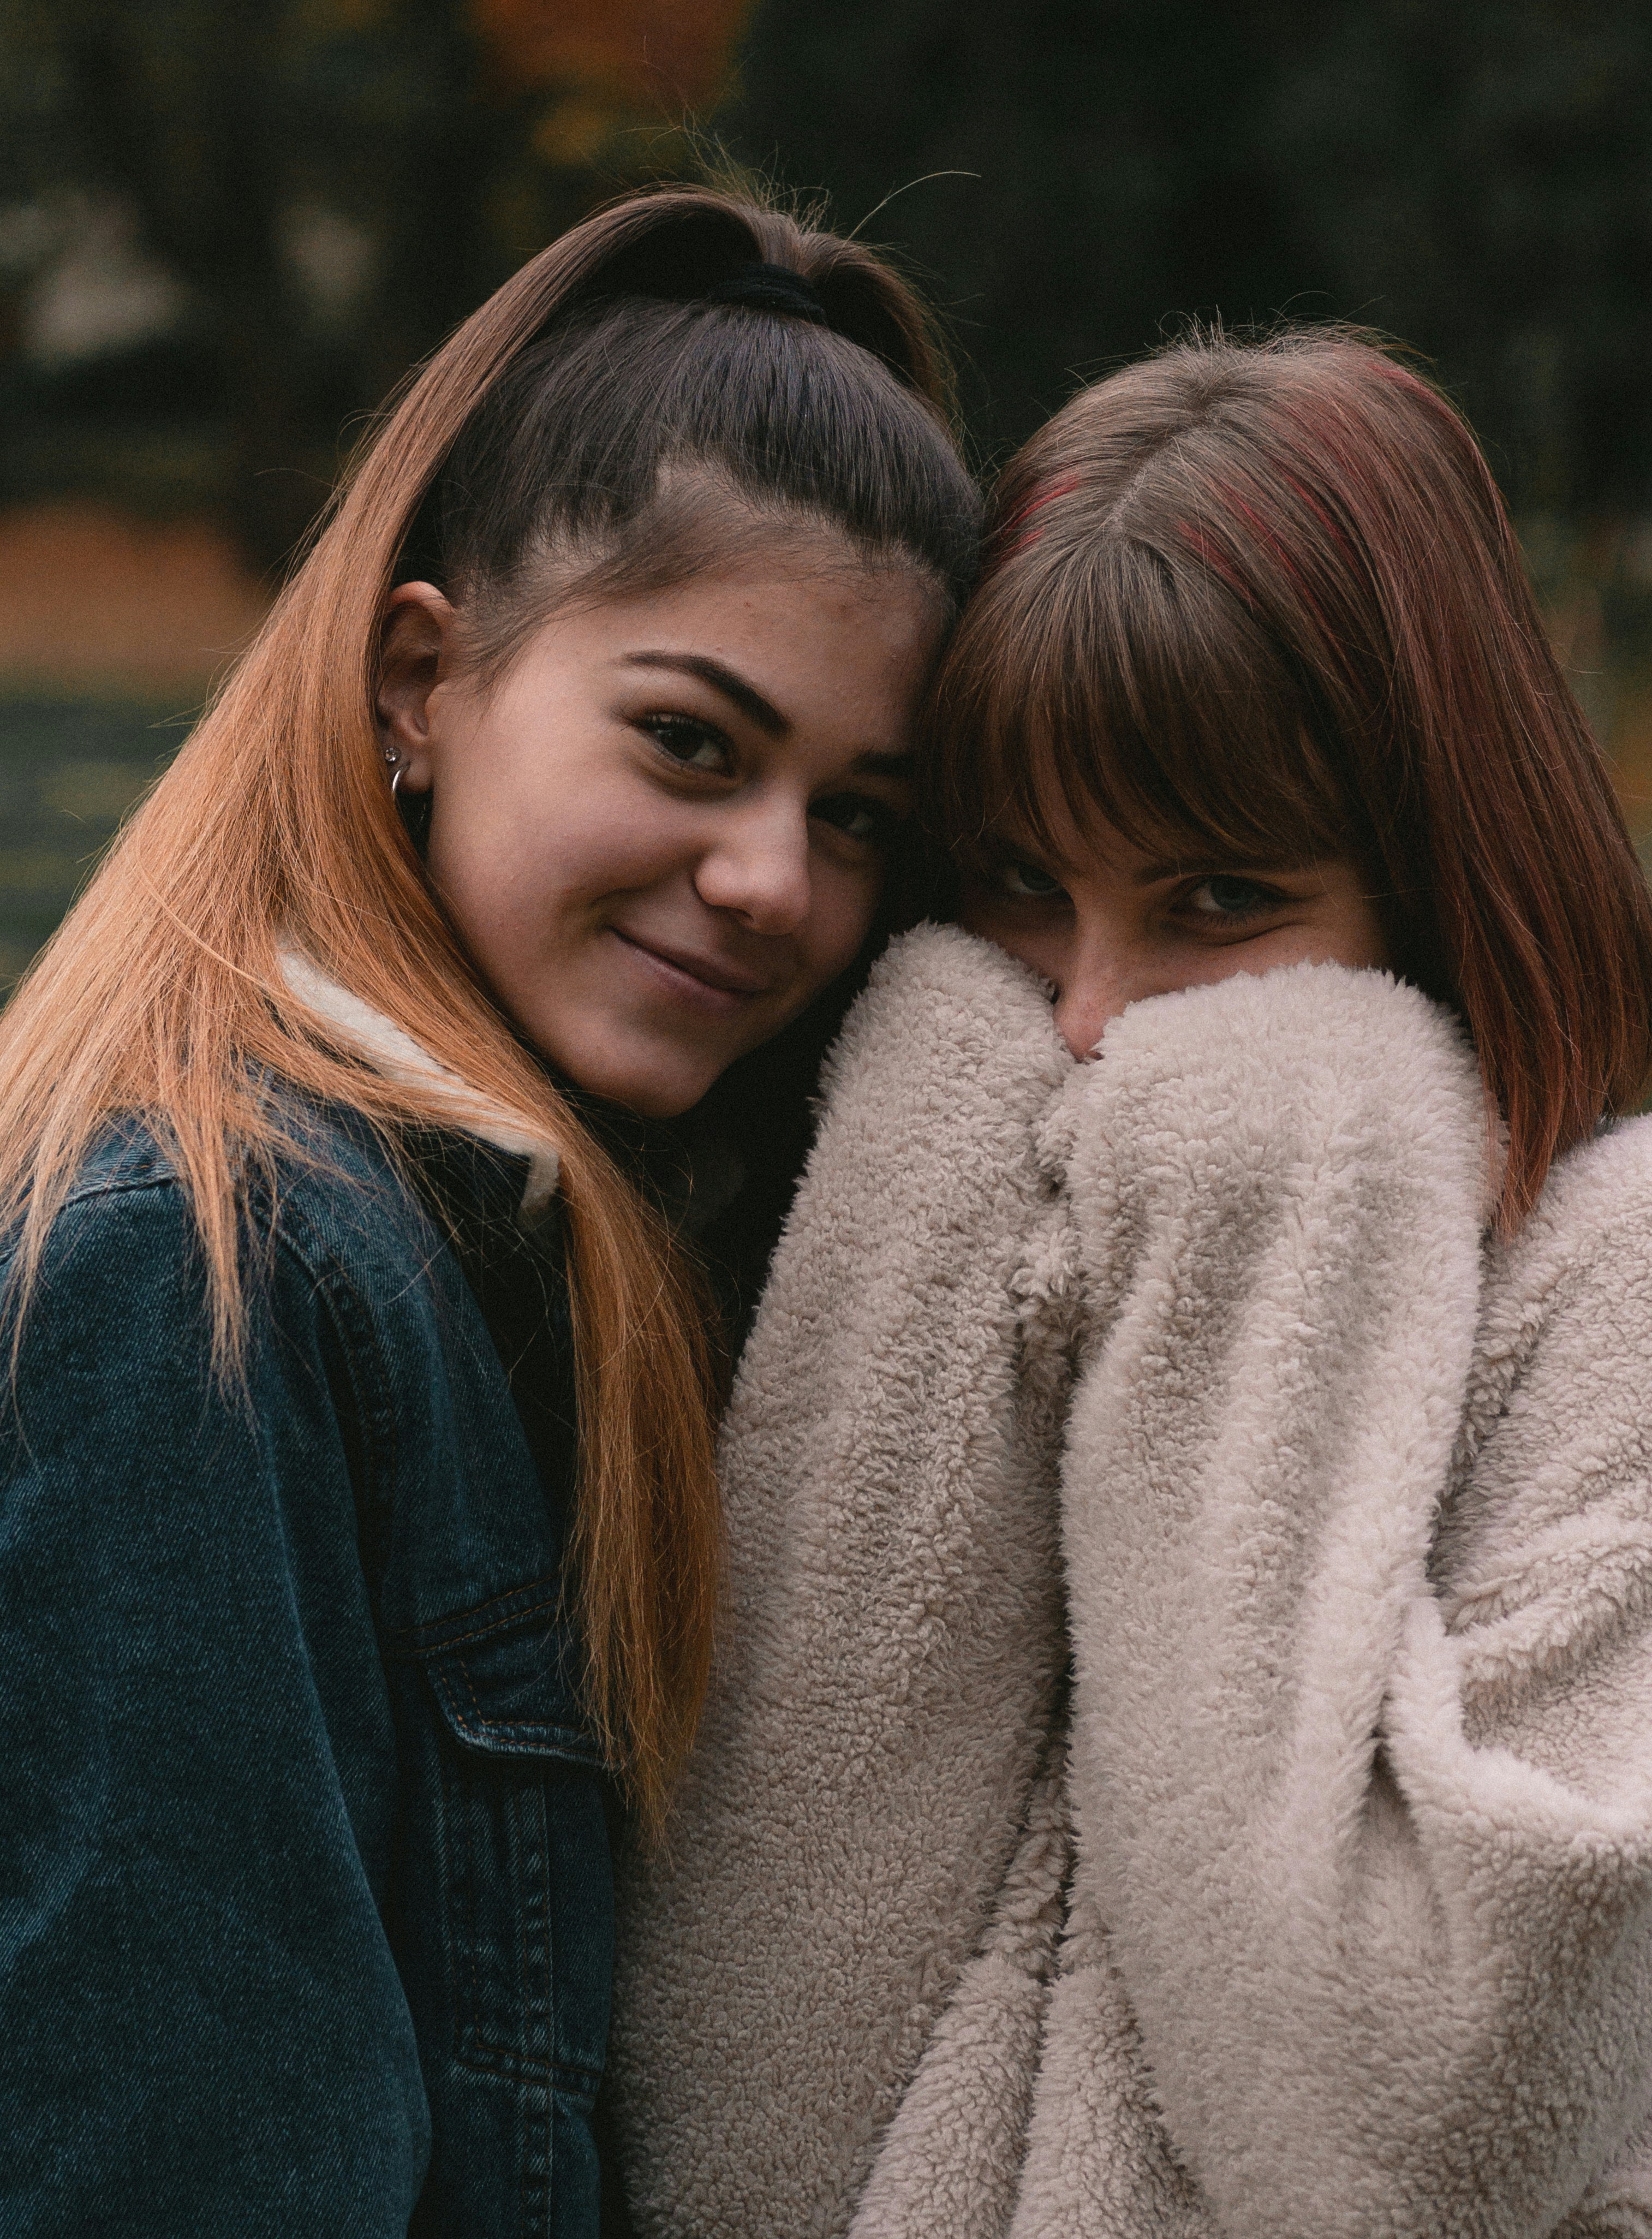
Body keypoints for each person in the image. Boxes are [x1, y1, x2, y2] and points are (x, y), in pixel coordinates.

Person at [608, 329, 1652, 2237]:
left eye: (1218, 905)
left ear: (1434, 877)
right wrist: (938, 1116)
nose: (1084, 1022)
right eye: (1009, 887)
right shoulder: (951, 1186)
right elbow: (736, 2111)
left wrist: (1275, 1173)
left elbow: (1396, 2148)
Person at [0, 183, 980, 2236]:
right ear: (421, 682)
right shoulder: (208, 1268)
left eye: (857, 816)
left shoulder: (581, 1254)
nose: (772, 881)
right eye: (690, 744)